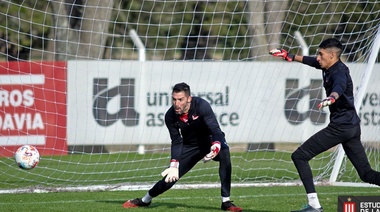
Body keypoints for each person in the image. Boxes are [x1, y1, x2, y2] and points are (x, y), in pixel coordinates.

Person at [270, 38, 380, 212]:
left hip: (341, 127)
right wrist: (289, 56)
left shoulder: (339, 73)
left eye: (321, 54)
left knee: (300, 156)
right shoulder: (327, 65)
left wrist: (332, 97)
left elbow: (340, 86)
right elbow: (312, 62)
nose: (318, 57)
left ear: (332, 55)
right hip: (352, 126)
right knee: (366, 174)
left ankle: (314, 205)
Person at [123, 82, 243, 212]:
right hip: (191, 146)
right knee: (170, 178)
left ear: (189, 99)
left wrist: (216, 145)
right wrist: (174, 164)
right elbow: (176, 141)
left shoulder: (202, 105)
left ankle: (226, 202)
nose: (176, 103)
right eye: (174, 99)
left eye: (180, 99)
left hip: (210, 141)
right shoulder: (170, 116)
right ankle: (145, 200)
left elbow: (215, 129)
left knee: (225, 153)